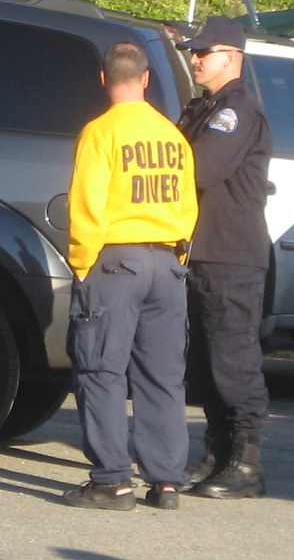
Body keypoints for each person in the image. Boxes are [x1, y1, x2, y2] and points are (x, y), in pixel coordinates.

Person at [63, 41, 198, 511]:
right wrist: (177, 257)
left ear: (104, 79)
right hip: (168, 263)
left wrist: (83, 266)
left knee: (101, 368)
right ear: (145, 79)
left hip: (117, 262)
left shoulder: (100, 133)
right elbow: (188, 207)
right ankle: (166, 482)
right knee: (162, 376)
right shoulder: (172, 136)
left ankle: (113, 480)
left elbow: (86, 208)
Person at [176, 15, 272, 499]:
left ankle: (246, 463)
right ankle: (216, 452)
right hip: (202, 253)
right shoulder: (203, 108)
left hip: (231, 256)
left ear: (231, 56)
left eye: (203, 51)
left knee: (233, 361)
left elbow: (199, 168)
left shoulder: (236, 112)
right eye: (192, 51)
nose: (194, 58)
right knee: (206, 362)